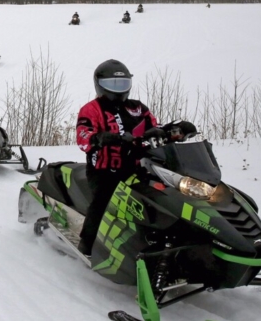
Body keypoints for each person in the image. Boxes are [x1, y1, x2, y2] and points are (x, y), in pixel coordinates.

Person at [74, 59, 196, 256]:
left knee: (169, 196)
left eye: (122, 84)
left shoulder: (138, 108)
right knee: (103, 201)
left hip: (140, 166)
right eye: (112, 84)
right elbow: (82, 135)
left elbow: (153, 128)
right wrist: (100, 137)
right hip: (105, 170)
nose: (118, 90)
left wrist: (174, 131)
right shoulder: (92, 109)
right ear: (99, 84)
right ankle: (87, 243)